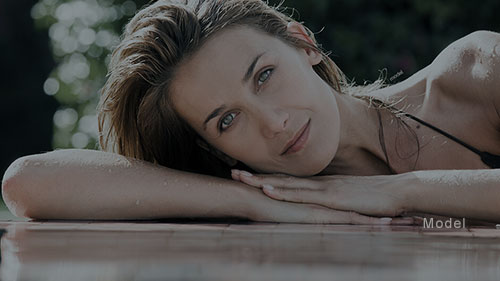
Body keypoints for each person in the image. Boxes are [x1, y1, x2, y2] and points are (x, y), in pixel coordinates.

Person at [2, 0, 500, 224]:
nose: (273, 122)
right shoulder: (259, 188)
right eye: (226, 120)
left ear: (304, 44)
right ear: (210, 146)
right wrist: (255, 204)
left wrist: (396, 193)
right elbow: (29, 182)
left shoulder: (473, 73)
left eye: (264, 75)